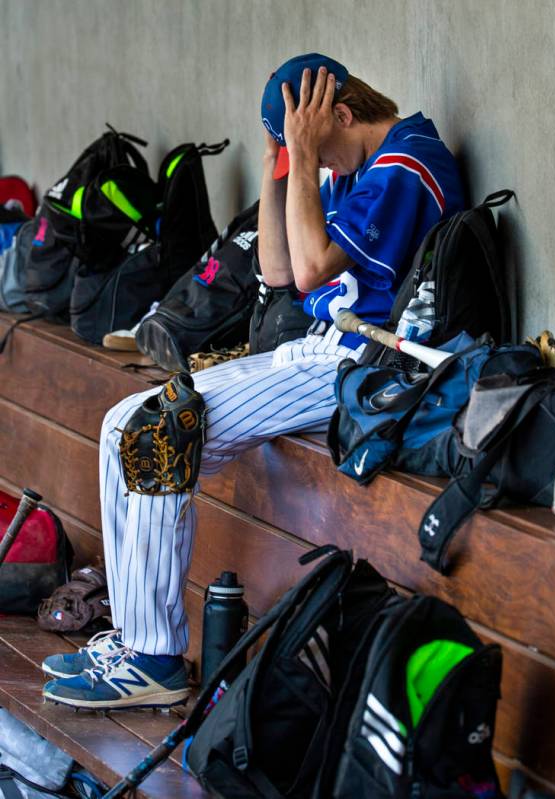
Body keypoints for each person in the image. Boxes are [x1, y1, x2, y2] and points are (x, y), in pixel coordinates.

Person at [41, 53, 465, 709]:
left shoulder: (407, 162)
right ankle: (132, 641)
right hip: (322, 350)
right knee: (125, 420)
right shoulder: (359, 167)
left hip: (365, 366)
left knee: (163, 426)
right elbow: (272, 268)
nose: (316, 164)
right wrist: (281, 161)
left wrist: (302, 152)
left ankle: (154, 657)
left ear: (342, 114)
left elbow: (308, 272)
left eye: (317, 145)